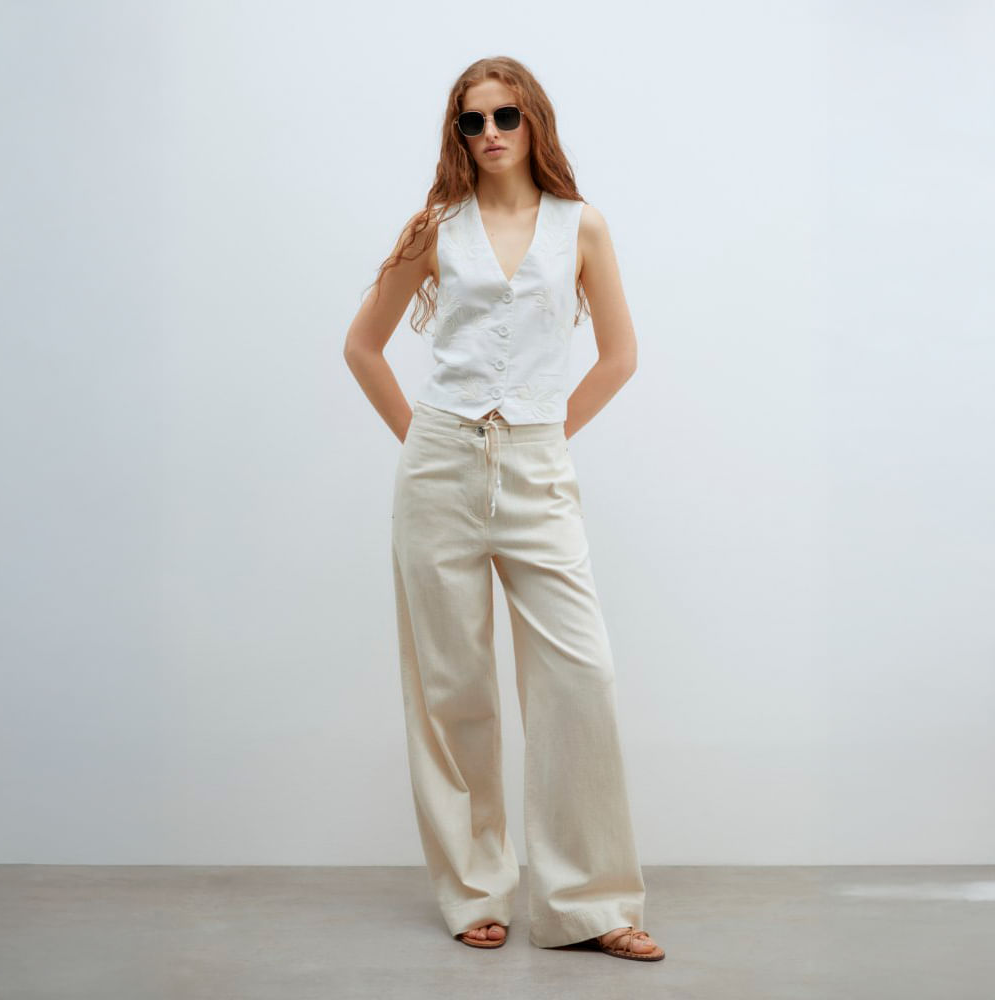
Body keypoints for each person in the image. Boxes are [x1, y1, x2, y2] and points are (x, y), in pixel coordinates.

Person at [343, 56, 664, 963]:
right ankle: (475, 888)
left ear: (534, 123)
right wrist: (423, 442)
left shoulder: (579, 225)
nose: (489, 134)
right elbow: (363, 346)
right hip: (440, 466)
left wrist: (544, 435)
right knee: (453, 691)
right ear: (459, 134)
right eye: (472, 121)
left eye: (505, 117)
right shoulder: (435, 228)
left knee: (581, 676)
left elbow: (620, 355)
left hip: (535, 466)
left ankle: (590, 902)